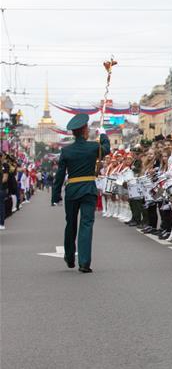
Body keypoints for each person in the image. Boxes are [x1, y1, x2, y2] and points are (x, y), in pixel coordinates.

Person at [51, 113, 111, 272]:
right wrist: (103, 134)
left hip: (72, 191)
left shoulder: (66, 151)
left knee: (70, 224)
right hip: (88, 190)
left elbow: (59, 175)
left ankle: (70, 257)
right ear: (84, 130)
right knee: (86, 225)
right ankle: (84, 263)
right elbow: (107, 149)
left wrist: (56, 195)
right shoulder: (93, 147)